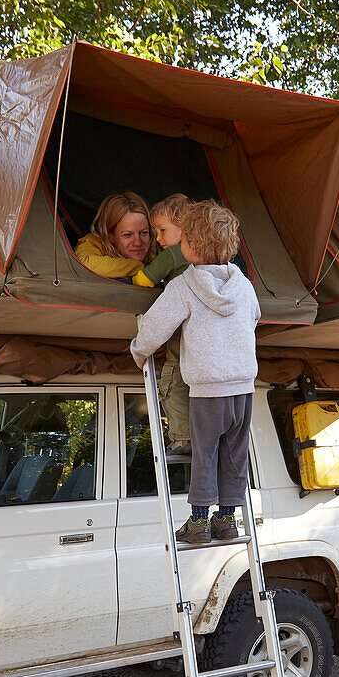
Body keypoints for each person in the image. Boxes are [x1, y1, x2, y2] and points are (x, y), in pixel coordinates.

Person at [130, 199, 260, 544]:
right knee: (234, 455)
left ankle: (199, 522)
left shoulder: (184, 286)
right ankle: (228, 520)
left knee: (204, 455)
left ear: (190, 247)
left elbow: (156, 325)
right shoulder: (244, 286)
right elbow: (255, 317)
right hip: (243, 388)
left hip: (207, 390)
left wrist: (139, 350)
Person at [131, 193, 194, 458]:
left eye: (162, 230)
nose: (158, 238)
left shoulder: (172, 254)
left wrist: (134, 273)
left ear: (185, 227)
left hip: (181, 328)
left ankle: (182, 438)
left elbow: (143, 281)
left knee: (174, 378)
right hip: (205, 331)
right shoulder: (211, 258)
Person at [75, 191, 156, 279]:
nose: (138, 243)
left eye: (144, 233)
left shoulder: (160, 243)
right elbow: (82, 264)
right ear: (110, 235)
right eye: (128, 235)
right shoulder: (93, 243)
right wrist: (138, 268)